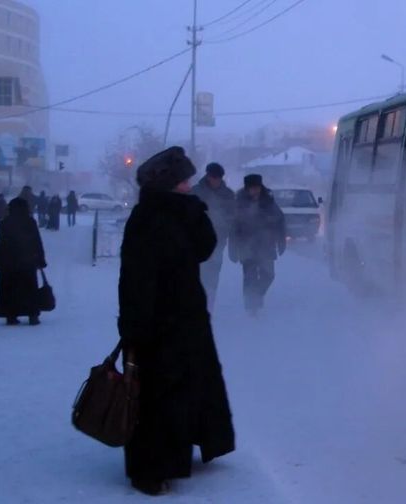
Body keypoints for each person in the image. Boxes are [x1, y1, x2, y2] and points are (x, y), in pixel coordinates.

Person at [118, 146, 235, 496]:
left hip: (187, 317)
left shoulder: (184, 212)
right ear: (169, 184)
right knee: (158, 396)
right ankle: (149, 471)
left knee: (191, 386)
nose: (189, 185)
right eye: (183, 180)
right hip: (155, 322)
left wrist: (194, 212)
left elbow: (204, 248)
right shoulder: (146, 217)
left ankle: (186, 447)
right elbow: (134, 278)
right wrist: (134, 328)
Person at [228, 174, 286, 316]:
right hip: (246, 245)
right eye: (252, 188)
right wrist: (232, 249)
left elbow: (280, 220)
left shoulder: (268, 200)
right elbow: (233, 227)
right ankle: (251, 307)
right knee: (250, 277)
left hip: (266, 245)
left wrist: (281, 241)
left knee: (269, 275)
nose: (255, 190)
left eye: (257, 187)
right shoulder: (239, 202)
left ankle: (256, 296)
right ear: (247, 188)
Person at [0, 198, 47, 326]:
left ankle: (11, 315)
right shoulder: (30, 222)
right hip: (27, 261)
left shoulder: (5, 222)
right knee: (29, 289)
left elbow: (0, 243)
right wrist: (40, 259)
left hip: (8, 262)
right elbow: (37, 242)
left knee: (10, 289)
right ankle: (32, 315)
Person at [191, 162, 235, 310]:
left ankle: (209, 305)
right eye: (213, 177)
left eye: (218, 178)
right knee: (197, 273)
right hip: (196, 241)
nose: (215, 180)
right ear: (208, 176)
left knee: (213, 273)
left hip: (218, 241)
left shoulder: (228, 194)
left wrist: (226, 227)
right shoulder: (195, 192)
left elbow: (233, 216)